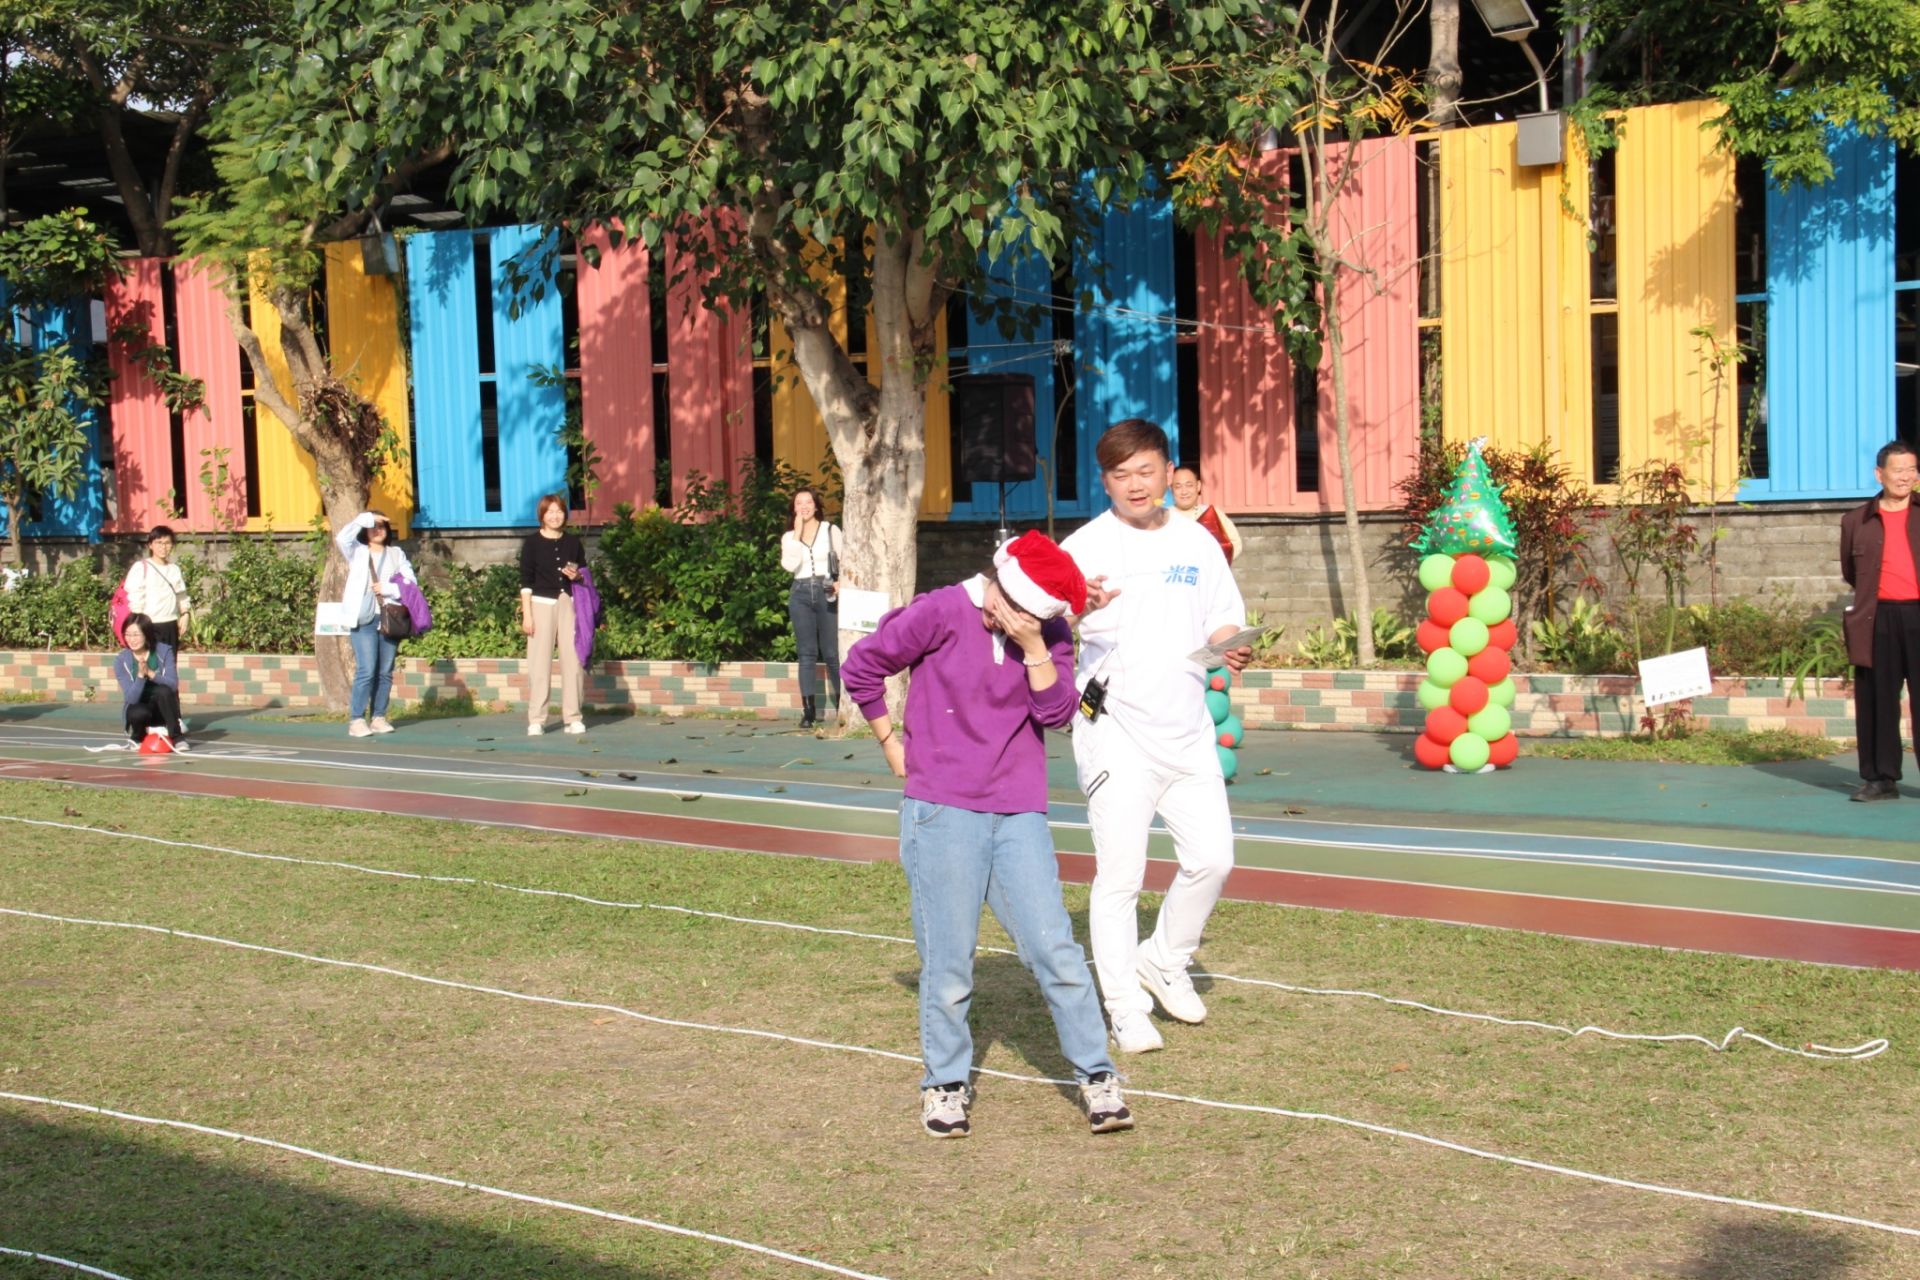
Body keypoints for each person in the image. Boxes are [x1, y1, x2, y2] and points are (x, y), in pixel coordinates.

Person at [841, 531, 1133, 1139]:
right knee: (949, 961)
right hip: (942, 811)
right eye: (1014, 609)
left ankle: (1098, 1076)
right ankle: (945, 1084)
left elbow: (1057, 714)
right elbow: (862, 666)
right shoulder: (941, 611)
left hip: (1018, 811)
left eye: (1034, 616)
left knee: (1055, 950)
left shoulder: (1048, 633)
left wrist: (1034, 645)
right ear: (997, 583)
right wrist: (890, 743)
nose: (1018, 620)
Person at [1062, 419, 1253, 1054]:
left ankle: (1165, 958)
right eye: (1121, 475)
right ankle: (1123, 1005)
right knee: (1121, 874)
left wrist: (1231, 644)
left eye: (1146, 471)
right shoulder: (1084, 546)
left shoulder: (1197, 541)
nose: (1135, 484)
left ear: (1168, 472)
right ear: (1105, 481)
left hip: (1187, 728)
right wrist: (1077, 609)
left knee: (1213, 859)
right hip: (1113, 729)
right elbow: (1041, 621)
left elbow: (1221, 615)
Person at [1840, 439, 1920, 801]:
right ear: (1879, 474)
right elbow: (1851, 572)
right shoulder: (1856, 521)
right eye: (1898, 470)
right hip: (1877, 617)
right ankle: (1880, 779)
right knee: (1877, 700)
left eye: (1912, 470)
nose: (1906, 477)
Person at [332, 509, 417, 739]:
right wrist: (368, 518)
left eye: (381, 526)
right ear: (365, 530)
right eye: (372, 527)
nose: (377, 530)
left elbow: (411, 583)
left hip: (389, 617)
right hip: (364, 618)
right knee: (367, 670)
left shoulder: (396, 554)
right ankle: (357, 719)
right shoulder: (357, 551)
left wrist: (388, 588)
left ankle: (378, 717)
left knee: (385, 671)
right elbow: (342, 538)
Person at [519, 493, 588, 736]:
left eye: (559, 511)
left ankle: (573, 717)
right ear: (542, 515)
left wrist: (577, 576)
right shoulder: (531, 543)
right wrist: (527, 615)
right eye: (550, 512)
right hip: (540, 604)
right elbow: (525, 582)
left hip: (569, 603)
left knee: (574, 661)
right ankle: (537, 719)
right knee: (539, 664)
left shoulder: (573, 542)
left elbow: (584, 573)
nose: (555, 516)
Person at [779, 486, 843, 728]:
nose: (804, 506)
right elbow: (790, 565)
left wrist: (840, 582)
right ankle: (808, 711)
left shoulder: (830, 530)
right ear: (793, 508)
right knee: (806, 653)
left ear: (816, 505)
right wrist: (797, 533)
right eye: (799, 503)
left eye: (808, 502)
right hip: (801, 592)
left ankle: (842, 706)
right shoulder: (788, 537)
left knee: (832, 653)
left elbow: (845, 559)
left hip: (827, 590)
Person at [114, 613, 186, 751]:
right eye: (127, 635)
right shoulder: (121, 660)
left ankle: (177, 737)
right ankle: (137, 736)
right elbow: (131, 698)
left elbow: (173, 684)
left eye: (136, 635)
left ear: (146, 634)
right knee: (137, 712)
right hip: (141, 707)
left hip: (162, 708)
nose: (131, 639)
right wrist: (141, 676)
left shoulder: (164, 651)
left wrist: (151, 673)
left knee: (163, 690)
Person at [123, 526, 192, 652]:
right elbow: (135, 598)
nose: (163, 547)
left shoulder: (174, 569)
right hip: (148, 625)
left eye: (167, 543)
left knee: (169, 663)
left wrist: (185, 614)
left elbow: (181, 596)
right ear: (150, 545)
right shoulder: (141, 567)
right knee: (149, 663)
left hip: (170, 624)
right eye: (159, 543)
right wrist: (138, 627)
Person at [1169, 464, 1242, 565]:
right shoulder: (1163, 517)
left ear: (1198, 486)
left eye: (1189, 485)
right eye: (1178, 486)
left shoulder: (1211, 513)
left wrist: (1217, 565)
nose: (1184, 491)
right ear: (1171, 489)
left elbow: (1235, 543)